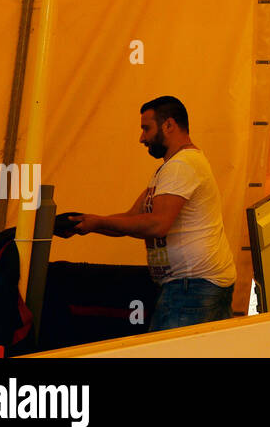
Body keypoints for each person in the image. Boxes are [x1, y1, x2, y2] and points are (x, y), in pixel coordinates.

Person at [66, 96, 236, 332]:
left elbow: (157, 225)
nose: (142, 138)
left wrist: (98, 222)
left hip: (193, 287)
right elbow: (130, 218)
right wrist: (89, 223)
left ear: (169, 125)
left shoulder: (182, 165)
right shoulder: (170, 169)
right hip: (192, 286)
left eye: (146, 128)